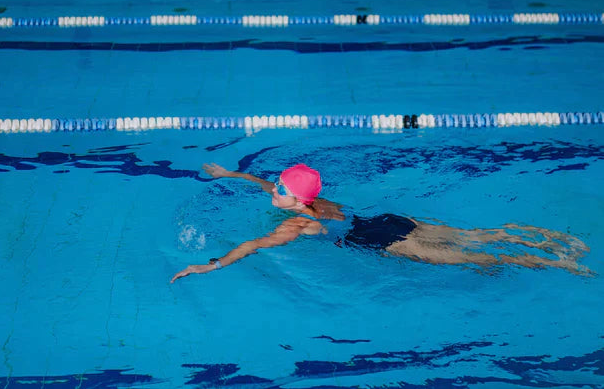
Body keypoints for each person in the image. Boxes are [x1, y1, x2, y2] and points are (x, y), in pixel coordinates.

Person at [170, 163, 592, 282]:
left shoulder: (293, 226)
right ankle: (545, 239)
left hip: (376, 240)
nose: (274, 190)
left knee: (468, 258)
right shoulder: (315, 200)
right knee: (473, 234)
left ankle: (557, 265)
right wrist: (233, 175)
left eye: (281, 188)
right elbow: (264, 184)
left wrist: (210, 265)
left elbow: (253, 247)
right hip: (389, 220)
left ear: (298, 200)